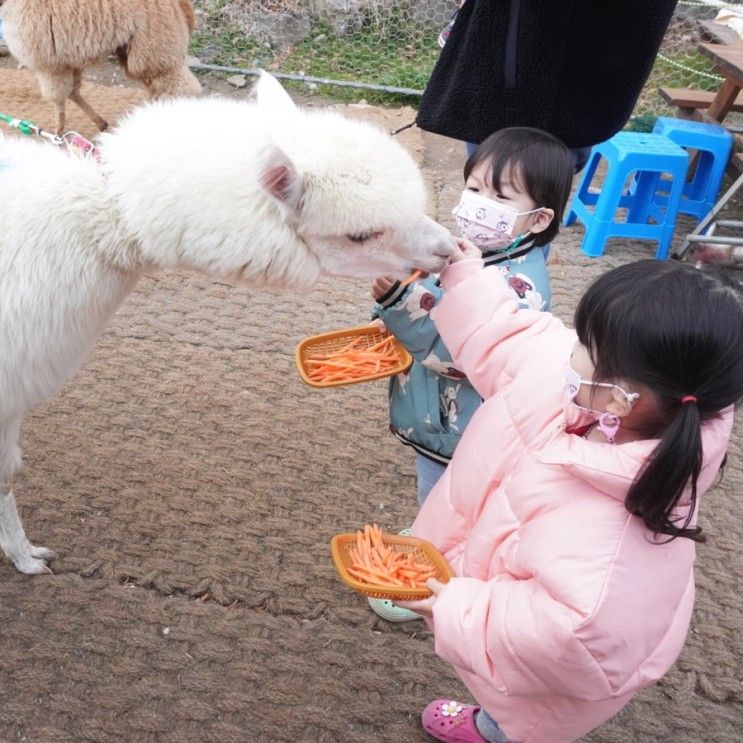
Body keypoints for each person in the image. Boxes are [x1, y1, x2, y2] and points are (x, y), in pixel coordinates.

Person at [393, 255, 742, 743]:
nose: (568, 347)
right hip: (499, 594)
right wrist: (460, 272)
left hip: (547, 678)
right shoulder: (581, 388)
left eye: (584, 343)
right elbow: (510, 335)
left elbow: (567, 637)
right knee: (508, 687)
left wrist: (454, 607)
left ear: (620, 398)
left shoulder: (614, 537)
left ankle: (494, 731)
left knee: (520, 714)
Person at [368, 127, 573, 622]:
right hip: (437, 410)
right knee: (440, 494)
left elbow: (459, 353)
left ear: (538, 218)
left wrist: (398, 304)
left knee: (447, 494)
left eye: (500, 196)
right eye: (475, 188)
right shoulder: (471, 250)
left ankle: (430, 582)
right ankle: (436, 541)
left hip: (461, 426)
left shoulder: (520, 285)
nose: (479, 202)